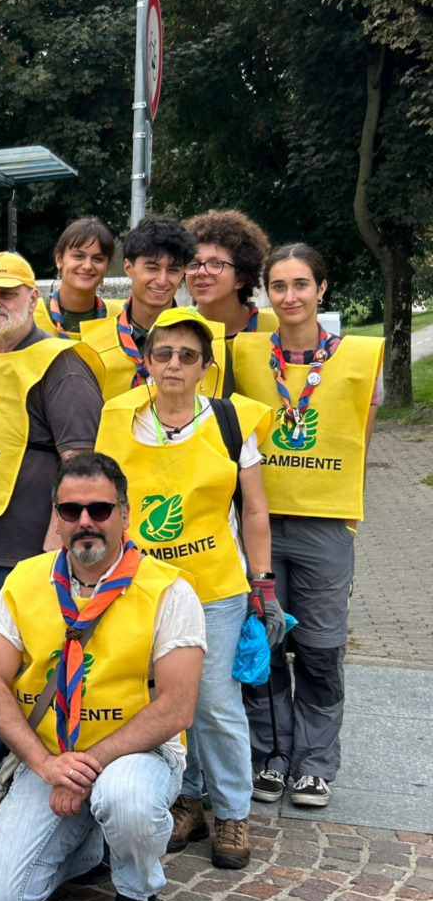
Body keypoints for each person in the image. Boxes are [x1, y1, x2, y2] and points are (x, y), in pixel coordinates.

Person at [0, 453, 206, 901]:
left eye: (99, 509)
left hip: (140, 756)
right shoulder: (24, 580)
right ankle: (88, 845)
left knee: (125, 799)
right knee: (0, 896)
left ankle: (137, 891)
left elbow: (177, 708)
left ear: (124, 514)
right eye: (70, 510)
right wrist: (45, 765)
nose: (85, 522)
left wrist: (86, 766)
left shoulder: (170, 590)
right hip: (51, 756)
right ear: (56, 518)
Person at [95, 307, 282, 869]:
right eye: (163, 353)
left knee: (216, 702)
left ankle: (233, 812)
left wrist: (262, 582)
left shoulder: (230, 421)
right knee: (163, 698)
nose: (173, 364)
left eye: (187, 355)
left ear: (205, 366)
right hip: (144, 587)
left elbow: (254, 509)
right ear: (147, 361)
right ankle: (190, 798)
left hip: (215, 586)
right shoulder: (119, 418)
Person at [0, 251, 103, 805]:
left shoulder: (61, 363)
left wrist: (58, 542)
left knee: (26, 671)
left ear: (33, 297)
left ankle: (32, 771)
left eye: (6, 293)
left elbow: (80, 463)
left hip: (25, 547)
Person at [233, 244, 383, 808]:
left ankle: (315, 763)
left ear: (321, 289)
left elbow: (360, 443)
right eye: (279, 285)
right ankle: (270, 754)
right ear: (266, 292)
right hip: (260, 522)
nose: (290, 296)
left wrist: (345, 517)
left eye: (301, 284)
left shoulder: (359, 357)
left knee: (320, 650)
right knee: (265, 642)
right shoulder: (245, 353)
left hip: (324, 526)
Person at [81, 216, 213, 400]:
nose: (162, 280)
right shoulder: (91, 344)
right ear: (128, 268)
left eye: (173, 270)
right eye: (152, 268)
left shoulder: (207, 342)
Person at [183, 209, 278, 339]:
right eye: (194, 264)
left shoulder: (277, 328)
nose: (201, 272)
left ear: (240, 278)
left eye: (216, 264)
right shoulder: (173, 329)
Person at [33, 217, 123, 338]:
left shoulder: (120, 319)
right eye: (79, 256)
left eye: (98, 259)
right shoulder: (30, 317)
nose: (87, 266)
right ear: (59, 259)